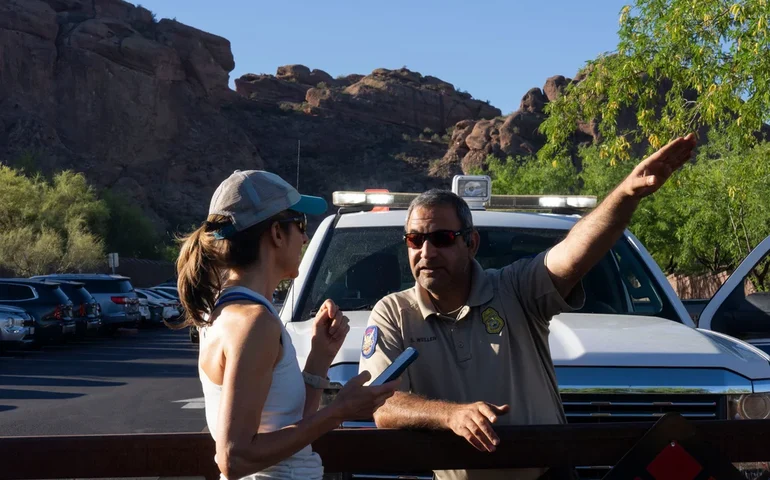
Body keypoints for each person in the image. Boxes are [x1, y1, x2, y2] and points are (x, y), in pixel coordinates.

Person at [358, 134, 697, 480]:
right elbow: (382, 404)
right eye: (415, 239)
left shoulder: (516, 288)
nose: (426, 252)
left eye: (442, 239)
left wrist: (625, 194)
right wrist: (450, 415)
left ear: (471, 243)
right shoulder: (393, 313)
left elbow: (574, 254)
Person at [176, 170, 399, 480]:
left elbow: (286, 424)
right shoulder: (253, 322)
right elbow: (234, 458)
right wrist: (340, 410)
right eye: (300, 225)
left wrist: (319, 357)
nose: (305, 238)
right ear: (277, 234)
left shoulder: (226, 312)